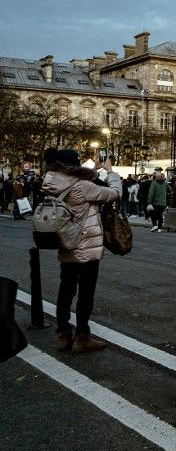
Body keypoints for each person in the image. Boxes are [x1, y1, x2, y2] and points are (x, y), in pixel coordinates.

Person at [40, 147, 122, 353]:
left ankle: (63, 334)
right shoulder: (83, 187)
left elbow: (76, 180)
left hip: (65, 242)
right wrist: (111, 172)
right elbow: (114, 194)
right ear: (73, 166)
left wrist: (91, 168)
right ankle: (82, 337)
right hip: (86, 245)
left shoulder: (51, 182)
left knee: (65, 290)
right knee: (86, 292)